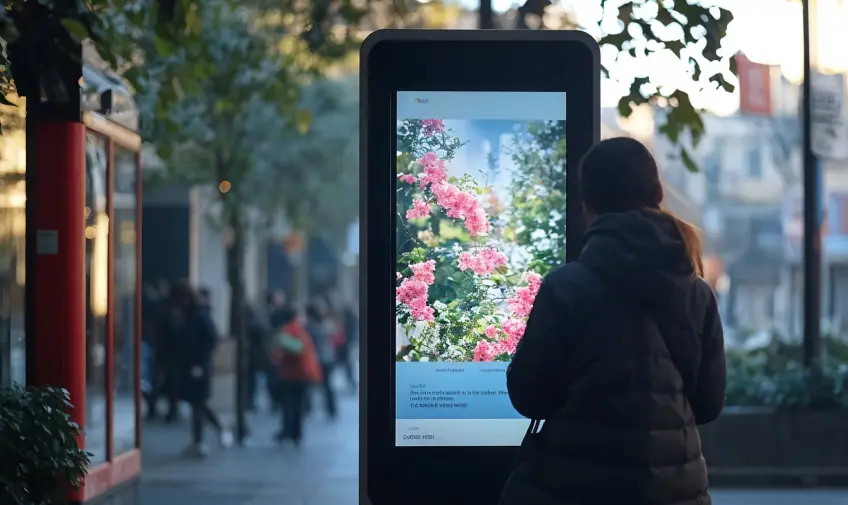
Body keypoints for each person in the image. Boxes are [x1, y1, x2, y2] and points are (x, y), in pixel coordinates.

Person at [499, 137, 726, 505]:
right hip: (674, 494)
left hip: (572, 489)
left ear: (587, 204)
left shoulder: (565, 288)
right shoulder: (698, 295)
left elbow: (529, 397)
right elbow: (709, 404)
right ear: (657, 193)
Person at [167, 281, 233, 457]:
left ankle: (200, 439)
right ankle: (208, 434)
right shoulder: (189, 314)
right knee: (197, 402)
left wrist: (198, 362)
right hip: (191, 364)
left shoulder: (198, 315)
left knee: (198, 402)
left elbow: (210, 339)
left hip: (198, 365)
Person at [270, 307, 322, 446]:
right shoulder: (295, 330)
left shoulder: (289, 330)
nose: (304, 318)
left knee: (290, 404)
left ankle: (290, 431)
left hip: (292, 374)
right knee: (296, 404)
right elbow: (299, 348)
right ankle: (295, 433)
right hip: (297, 373)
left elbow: (289, 348)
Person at [305, 301, 339, 420]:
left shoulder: (310, 326)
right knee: (327, 385)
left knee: (311, 385)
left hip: (317, 359)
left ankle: (308, 408)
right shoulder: (326, 323)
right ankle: (331, 409)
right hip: (327, 357)